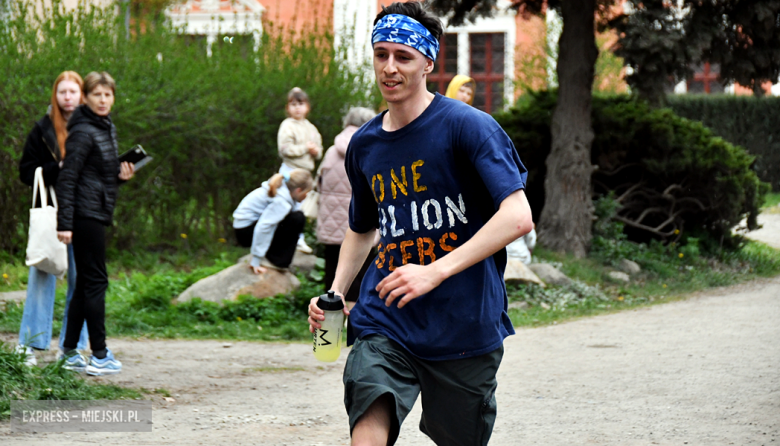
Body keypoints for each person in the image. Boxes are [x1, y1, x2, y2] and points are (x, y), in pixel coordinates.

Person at [307, 2, 533, 445]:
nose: (389, 68)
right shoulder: (365, 144)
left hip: (464, 324)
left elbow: (517, 215)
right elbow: (363, 226)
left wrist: (435, 270)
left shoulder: (469, 128)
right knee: (369, 405)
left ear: (428, 62)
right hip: (386, 317)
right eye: (381, 54)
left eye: (403, 57)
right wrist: (335, 292)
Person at [56, 71, 135, 376]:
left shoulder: (104, 127)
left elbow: (97, 176)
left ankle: (69, 351)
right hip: (83, 216)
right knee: (97, 282)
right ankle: (99, 355)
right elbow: (68, 178)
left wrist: (120, 177)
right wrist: (65, 223)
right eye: (97, 95)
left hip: (94, 211)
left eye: (108, 95)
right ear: (86, 98)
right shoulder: (83, 131)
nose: (103, 100)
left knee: (84, 285)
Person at [15, 71, 89, 366]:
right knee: (43, 271)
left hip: (83, 212)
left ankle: (72, 349)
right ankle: (28, 345)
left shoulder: (94, 126)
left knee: (80, 280)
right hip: (52, 213)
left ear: (82, 95)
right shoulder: (42, 129)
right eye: (62, 92)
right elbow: (25, 172)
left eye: (73, 91)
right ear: (55, 96)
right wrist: (57, 167)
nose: (68, 97)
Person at [316, 107, 377, 308]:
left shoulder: (331, 151)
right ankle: (354, 315)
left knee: (333, 270)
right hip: (358, 224)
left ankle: (331, 314)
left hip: (331, 222)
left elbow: (319, 182)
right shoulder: (370, 148)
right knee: (360, 270)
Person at [233, 169, 313, 274]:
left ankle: (275, 257)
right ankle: (276, 260)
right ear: (298, 190)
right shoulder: (281, 201)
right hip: (245, 232)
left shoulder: (282, 191)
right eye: (306, 193)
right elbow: (264, 226)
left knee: (296, 216)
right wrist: (256, 259)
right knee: (297, 218)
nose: (306, 197)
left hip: (244, 229)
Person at [277, 87, 323, 255]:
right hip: (290, 170)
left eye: (301, 104)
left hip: (306, 174)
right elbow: (284, 149)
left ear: (307, 107)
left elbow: (319, 151)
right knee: (286, 205)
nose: (297, 107)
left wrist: (315, 151)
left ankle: (298, 239)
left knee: (301, 208)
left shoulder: (311, 128)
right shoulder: (287, 125)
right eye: (293, 104)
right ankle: (287, 239)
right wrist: (305, 148)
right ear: (288, 108)